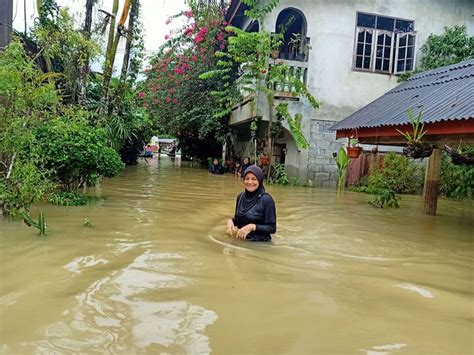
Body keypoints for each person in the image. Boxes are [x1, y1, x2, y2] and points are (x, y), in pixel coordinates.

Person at [225, 165, 276, 241]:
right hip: (241, 241)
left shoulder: (266, 200)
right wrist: (231, 221)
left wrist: (252, 227)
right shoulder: (240, 197)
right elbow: (238, 219)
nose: (249, 182)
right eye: (247, 179)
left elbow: (272, 228)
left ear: (260, 180)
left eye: (254, 179)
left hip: (259, 245)